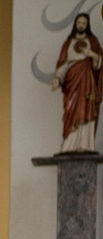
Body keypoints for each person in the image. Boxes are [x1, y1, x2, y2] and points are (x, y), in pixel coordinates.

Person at [52, 12, 103, 152]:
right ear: (75, 24)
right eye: (79, 23)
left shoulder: (93, 42)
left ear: (87, 25)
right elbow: (63, 64)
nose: (81, 25)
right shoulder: (68, 43)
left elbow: (100, 64)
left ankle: (85, 144)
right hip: (72, 82)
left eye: (84, 23)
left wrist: (91, 54)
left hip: (88, 82)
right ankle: (70, 144)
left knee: (87, 109)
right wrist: (57, 78)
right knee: (71, 110)